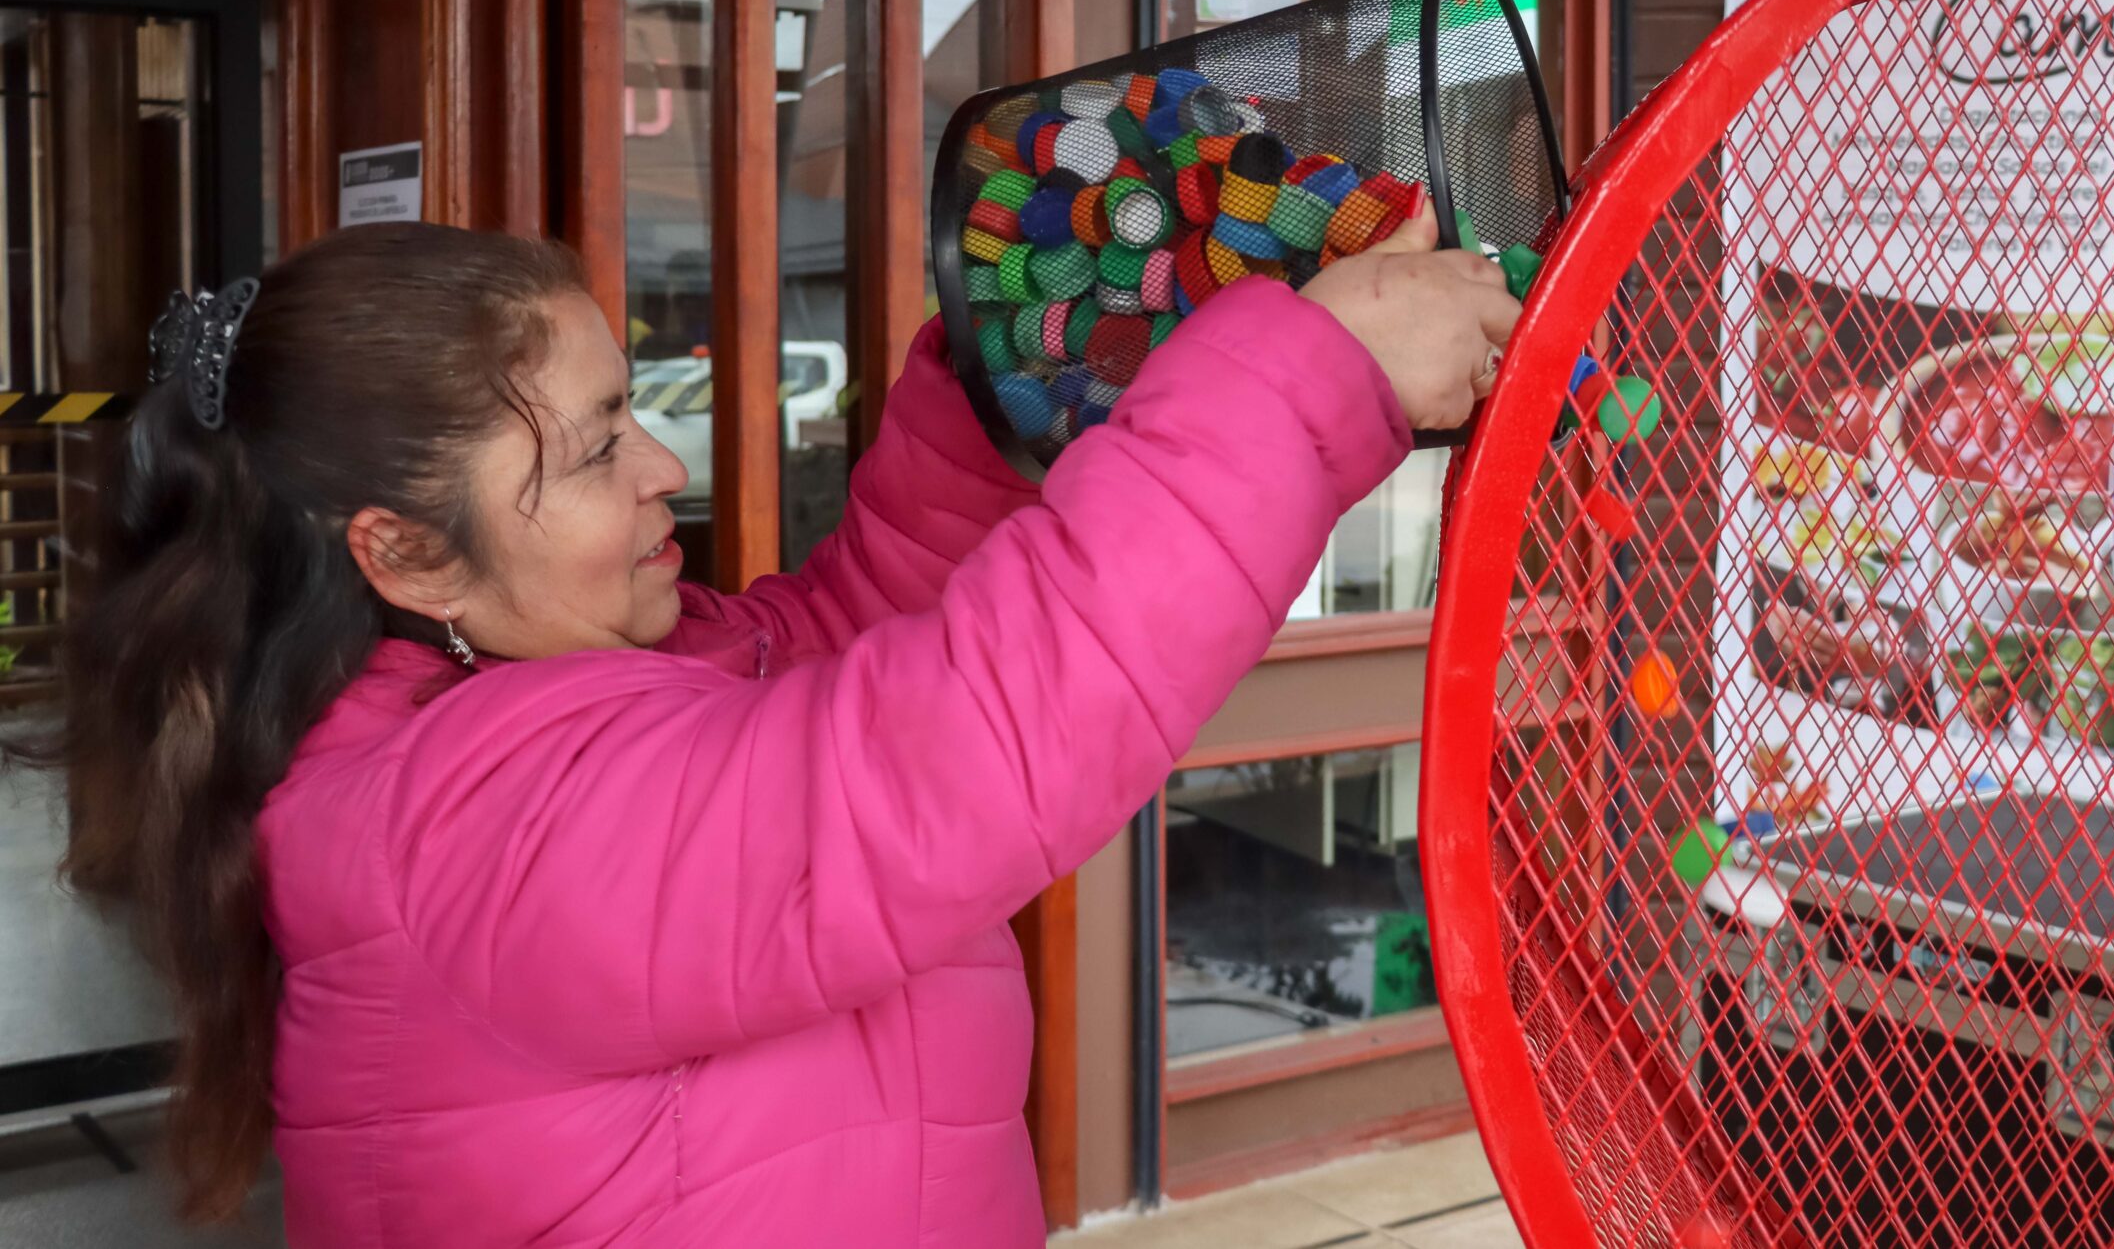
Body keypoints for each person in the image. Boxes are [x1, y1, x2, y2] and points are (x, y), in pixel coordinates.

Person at [10, 215, 1518, 1247]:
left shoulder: (608, 687)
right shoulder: (478, 829)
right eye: (597, 447)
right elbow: (950, 748)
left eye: (630, 406)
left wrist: (997, 384)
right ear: (404, 554)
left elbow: (852, 637)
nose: (664, 464)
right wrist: (1310, 382)